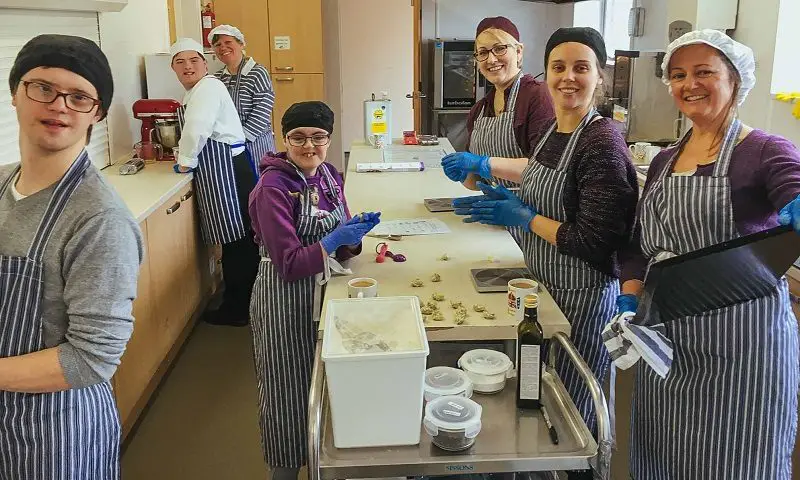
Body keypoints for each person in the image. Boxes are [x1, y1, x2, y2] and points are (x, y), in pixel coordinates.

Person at [604, 30, 800, 479]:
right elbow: (637, 243)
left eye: (704, 72)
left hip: (743, 348)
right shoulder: (663, 161)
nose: (689, 84)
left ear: (734, 80)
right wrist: (632, 293)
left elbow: (792, 180)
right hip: (669, 342)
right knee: (665, 455)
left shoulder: (765, 151)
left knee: (735, 461)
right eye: (678, 75)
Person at [449, 27, 638, 478]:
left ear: (600, 76)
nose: (567, 78)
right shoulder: (556, 129)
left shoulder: (603, 143)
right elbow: (541, 180)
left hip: (580, 294)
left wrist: (526, 217)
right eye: (559, 67)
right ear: (547, 72)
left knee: (578, 408)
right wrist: (506, 198)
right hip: (542, 285)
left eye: (581, 68)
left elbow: (595, 240)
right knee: (544, 397)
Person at [0, 34, 143, 477]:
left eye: (79, 96)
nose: (59, 105)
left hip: (55, 435)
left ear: (96, 114)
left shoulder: (99, 220)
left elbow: (90, 358)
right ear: (15, 94)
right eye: (42, 87)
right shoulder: (3, 184)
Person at [248, 101, 380, 480]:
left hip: (325, 293)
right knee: (286, 390)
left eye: (318, 137)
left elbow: (341, 240)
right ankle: (285, 470)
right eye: (299, 138)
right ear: (284, 139)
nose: (309, 146)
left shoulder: (328, 176)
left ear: (329, 139)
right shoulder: (272, 188)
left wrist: (353, 238)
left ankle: (327, 464)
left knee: (327, 381)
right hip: (283, 298)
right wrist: (331, 241)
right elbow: (288, 264)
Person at [170, 37, 258, 327]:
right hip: (229, 166)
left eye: (194, 60)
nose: (188, 66)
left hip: (228, 169)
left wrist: (185, 160)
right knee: (239, 240)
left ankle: (237, 310)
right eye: (180, 62)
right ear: (173, 68)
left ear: (205, 64)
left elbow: (197, 128)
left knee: (237, 241)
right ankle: (244, 303)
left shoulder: (207, 87)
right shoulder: (200, 89)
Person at [441, 16, 554, 241]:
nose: (491, 59)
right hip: (496, 224)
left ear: (519, 52)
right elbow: (475, 183)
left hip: (535, 224)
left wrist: (482, 163)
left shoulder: (537, 96)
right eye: (482, 53)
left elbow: (546, 172)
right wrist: (465, 174)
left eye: (500, 49)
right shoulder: (480, 109)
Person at [208, 24, 276, 167]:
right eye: (217, 44)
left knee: (259, 184)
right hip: (230, 146)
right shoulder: (218, 78)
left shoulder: (257, 73)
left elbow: (262, 111)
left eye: (228, 42)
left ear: (241, 44)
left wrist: (240, 139)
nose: (222, 47)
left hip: (256, 143)